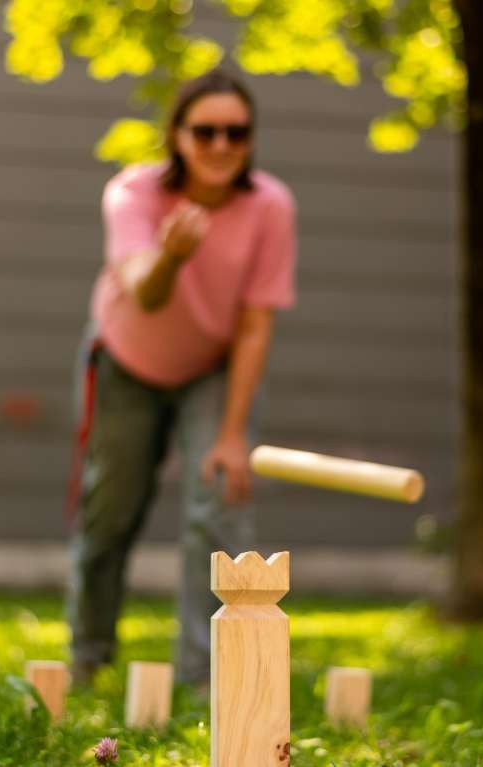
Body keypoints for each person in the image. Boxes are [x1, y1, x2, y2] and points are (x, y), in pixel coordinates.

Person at [67, 68, 298, 688]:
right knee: (111, 511)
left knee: (217, 508)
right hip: (126, 363)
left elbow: (255, 325)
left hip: (211, 369)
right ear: (177, 136)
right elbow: (144, 291)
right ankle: (89, 655)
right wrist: (172, 254)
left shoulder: (270, 206)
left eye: (236, 132)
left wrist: (232, 435)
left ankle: (203, 677)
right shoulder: (134, 194)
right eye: (205, 132)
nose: (221, 145)